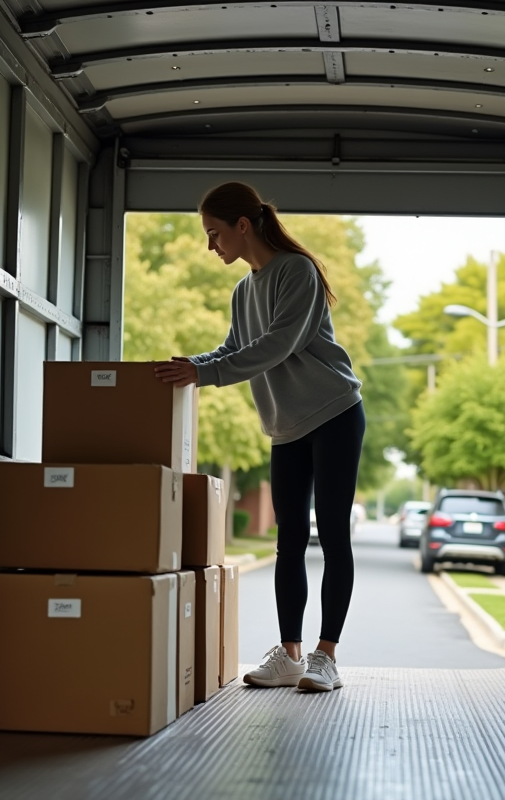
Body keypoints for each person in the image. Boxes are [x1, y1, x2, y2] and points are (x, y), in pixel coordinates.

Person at [154, 182, 365, 693]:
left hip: (333, 412)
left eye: (214, 234)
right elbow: (234, 346)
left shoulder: (297, 272)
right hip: (286, 424)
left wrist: (205, 375)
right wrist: (189, 366)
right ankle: (290, 655)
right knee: (288, 540)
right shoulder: (243, 290)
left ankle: (326, 657)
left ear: (242, 225)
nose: (211, 246)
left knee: (333, 535)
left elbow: (275, 346)